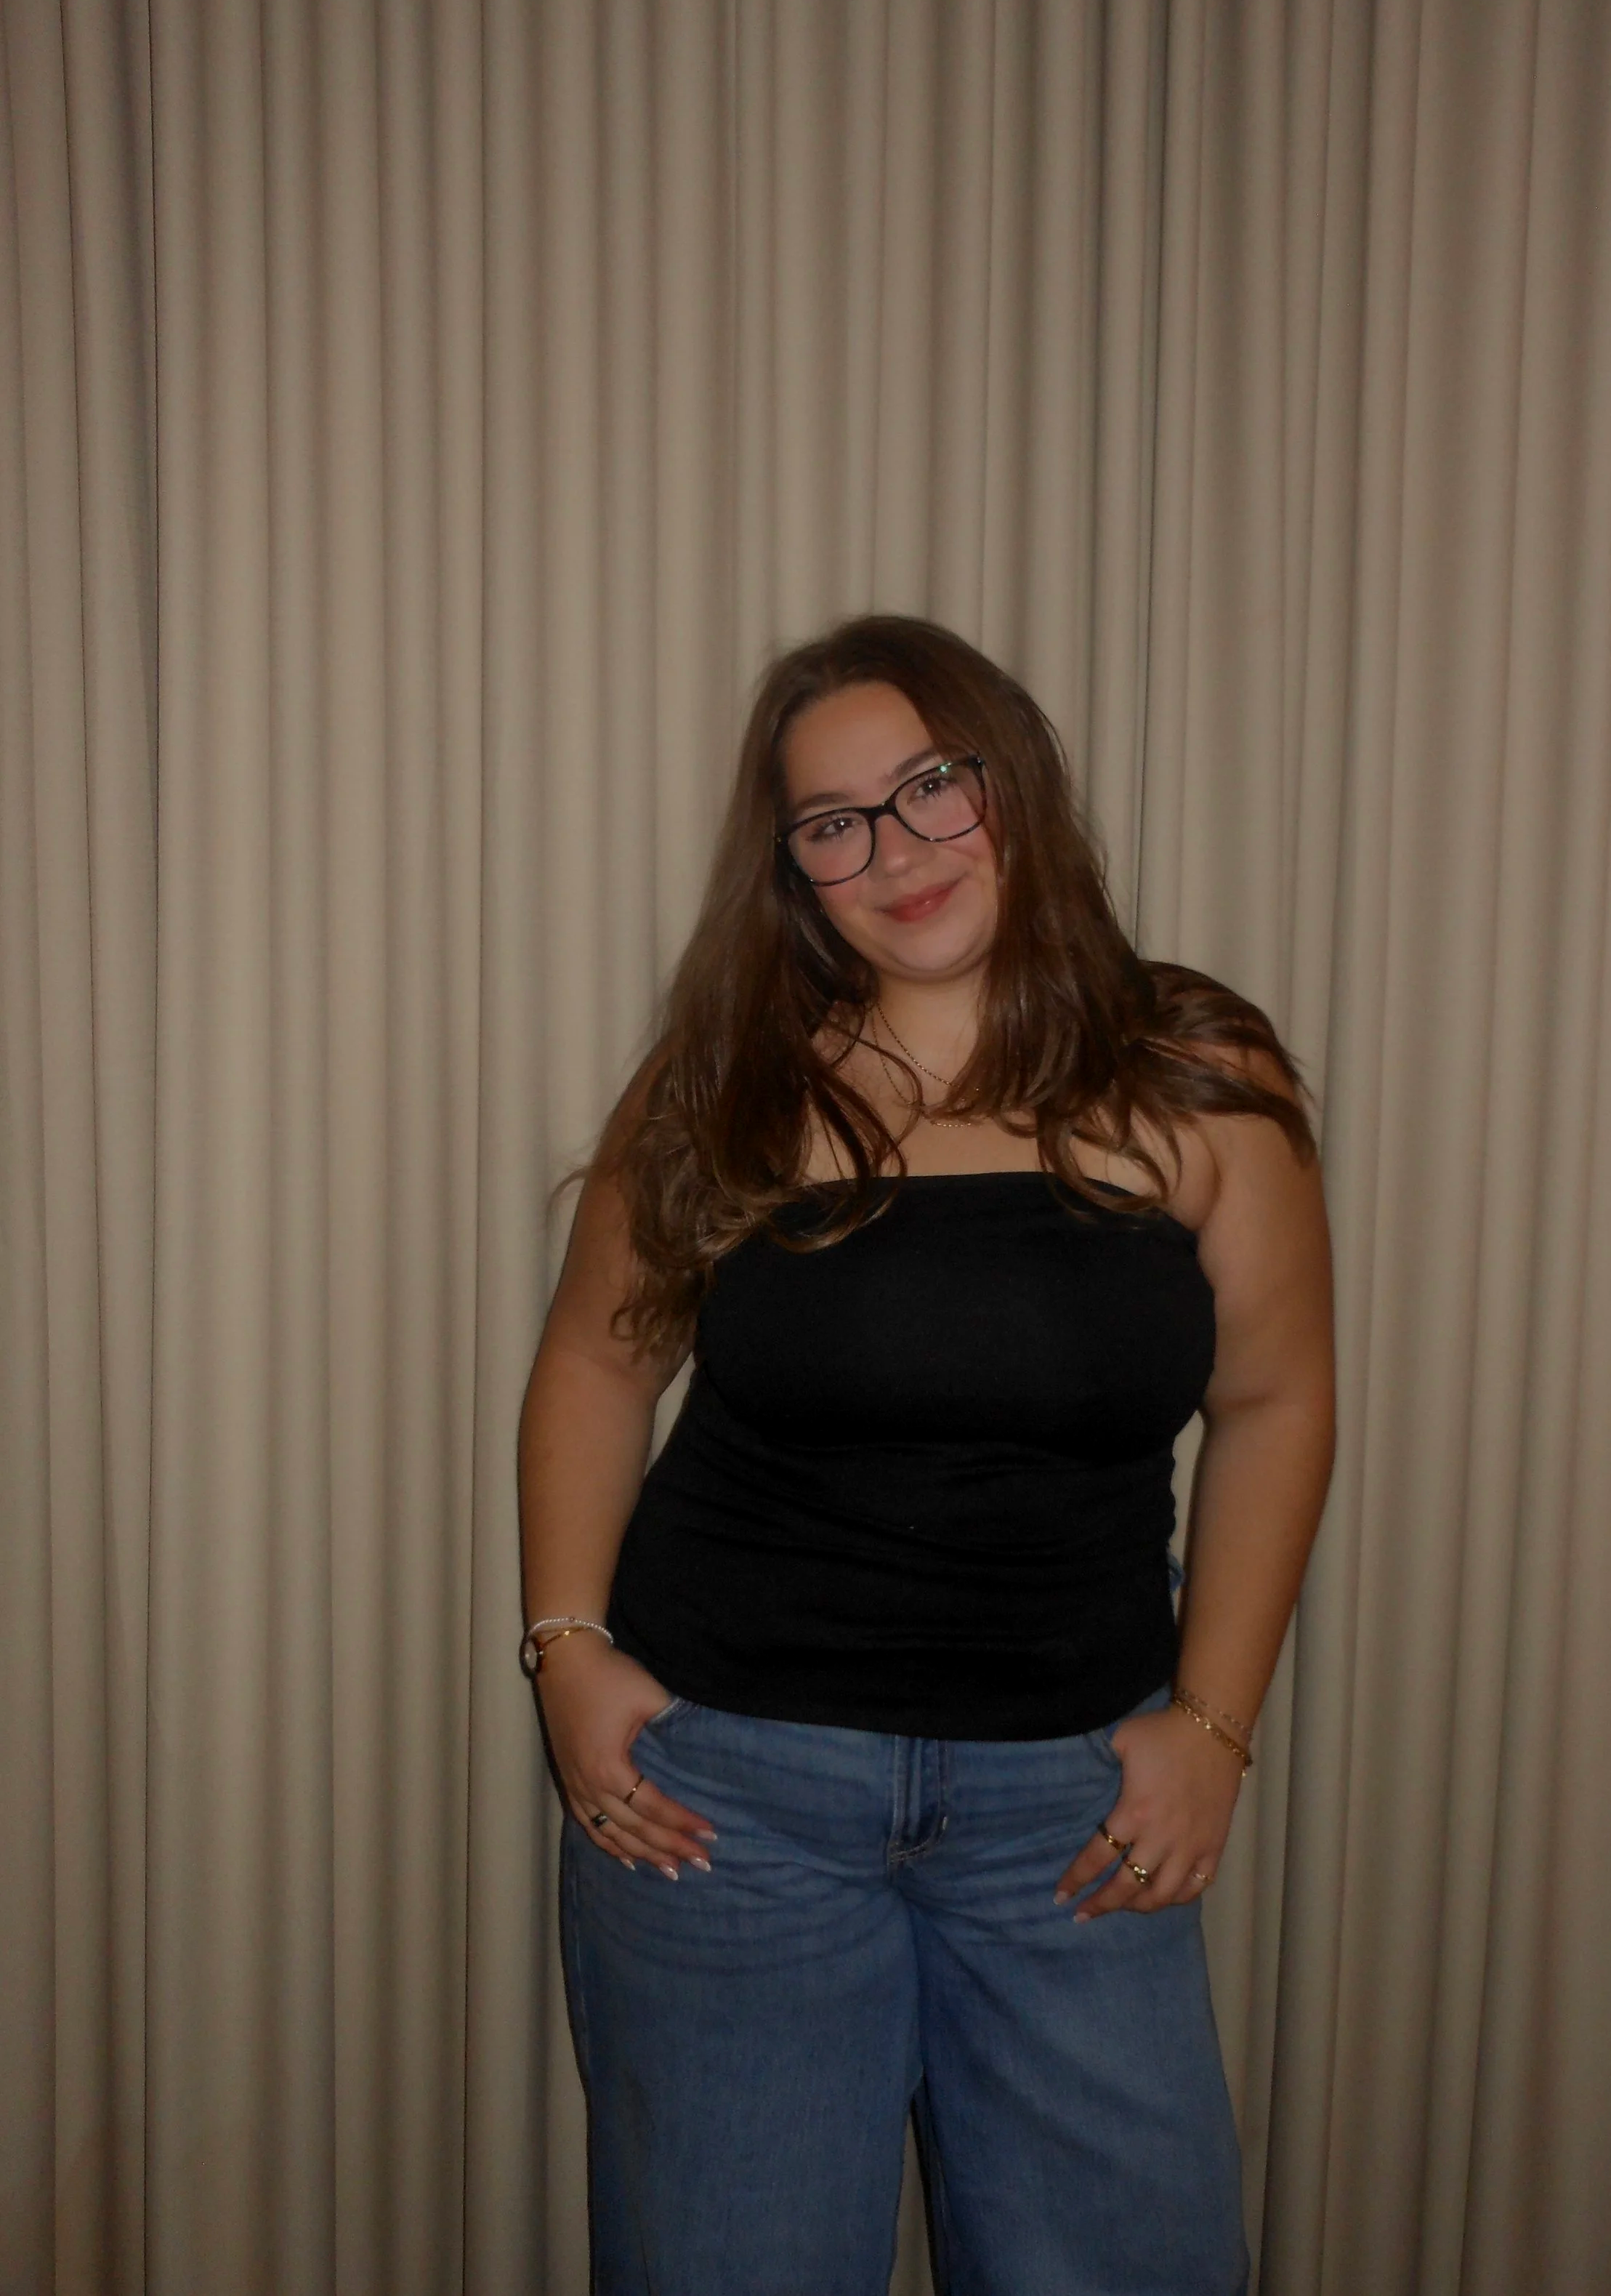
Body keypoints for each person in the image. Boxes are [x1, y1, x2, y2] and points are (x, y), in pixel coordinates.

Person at [517, 615, 1335, 2296]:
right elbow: (596, 1369)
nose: (891, 851)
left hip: (1070, 1812)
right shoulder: (728, 1086)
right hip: (727, 1796)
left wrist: (1213, 1725)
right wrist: (566, 1650)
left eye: (928, 787)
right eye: (833, 822)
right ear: (793, 871)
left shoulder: (1195, 1071)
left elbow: (1274, 1399)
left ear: (1010, 786)